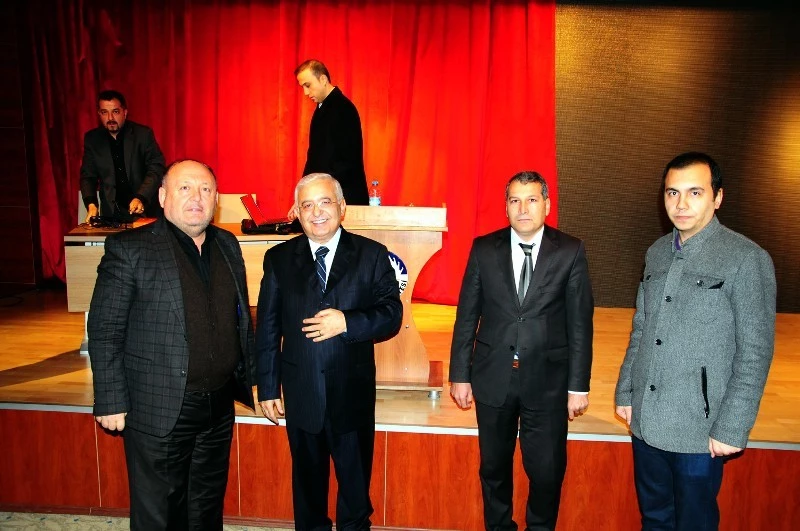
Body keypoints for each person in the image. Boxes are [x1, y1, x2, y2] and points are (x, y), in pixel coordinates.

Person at [88, 159, 258, 531]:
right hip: (159, 406)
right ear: (163, 196)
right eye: (185, 188)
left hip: (218, 407)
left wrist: (254, 376)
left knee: (205, 508)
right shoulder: (130, 249)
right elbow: (105, 329)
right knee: (160, 514)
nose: (197, 197)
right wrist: (111, 399)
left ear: (216, 200)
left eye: (206, 189)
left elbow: (239, 319)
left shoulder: (227, 244)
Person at [614, 152, 776, 530]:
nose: (681, 204)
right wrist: (626, 391)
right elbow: (642, 328)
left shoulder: (745, 258)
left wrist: (732, 426)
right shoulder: (657, 252)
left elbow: (755, 352)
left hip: (699, 431)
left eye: (695, 193)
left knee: (694, 523)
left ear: (717, 197)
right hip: (647, 421)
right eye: (672, 193)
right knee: (654, 519)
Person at [256, 173, 402, 530]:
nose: (316, 212)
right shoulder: (278, 259)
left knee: (355, 490)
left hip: (351, 393)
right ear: (296, 213)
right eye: (306, 205)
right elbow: (268, 326)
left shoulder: (371, 254)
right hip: (302, 391)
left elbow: (391, 315)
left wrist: (347, 322)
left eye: (325, 202)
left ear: (342, 207)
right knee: (308, 492)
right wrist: (268, 387)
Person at [449, 171, 594, 531]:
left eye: (531, 200)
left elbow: (580, 323)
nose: (523, 208)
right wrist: (459, 375)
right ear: (506, 207)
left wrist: (578, 385)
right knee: (493, 468)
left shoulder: (570, 251)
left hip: (548, 380)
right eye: (515, 200)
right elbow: (466, 316)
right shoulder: (484, 249)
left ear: (547, 204)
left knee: (547, 472)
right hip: (493, 376)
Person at [80, 89, 166, 222]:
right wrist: (91, 204)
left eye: (115, 112)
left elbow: (156, 168)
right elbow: (88, 176)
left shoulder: (143, 134)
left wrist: (141, 197)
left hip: (145, 209)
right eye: (104, 112)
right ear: (99, 114)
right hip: (111, 213)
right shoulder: (92, 139)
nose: (110, 118)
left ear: (125, 112)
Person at [295, 60, 369, 205]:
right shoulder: (323, 108)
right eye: (303, 87)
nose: (305, 92)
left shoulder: (343, 108)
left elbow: (345, 163)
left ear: (323, 79)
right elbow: (314, 158)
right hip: (328, 198)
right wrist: (302, 195)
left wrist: (314, 192)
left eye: (308, 85)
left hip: (344, 200)